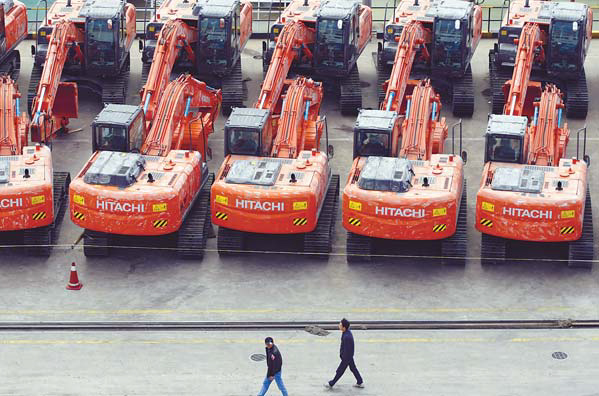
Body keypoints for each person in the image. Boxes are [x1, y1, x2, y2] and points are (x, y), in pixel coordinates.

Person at [324, 318, 364, 389]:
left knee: (340, 370)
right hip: (348, 355)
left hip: (347, 356)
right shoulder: (346, 332)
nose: (339, 325)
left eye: (340, 324)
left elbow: (347, 350)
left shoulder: (347, 337)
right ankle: (360, 381)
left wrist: (344, 359)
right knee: (353, 368)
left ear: (344, 327)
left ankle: (331, 383)